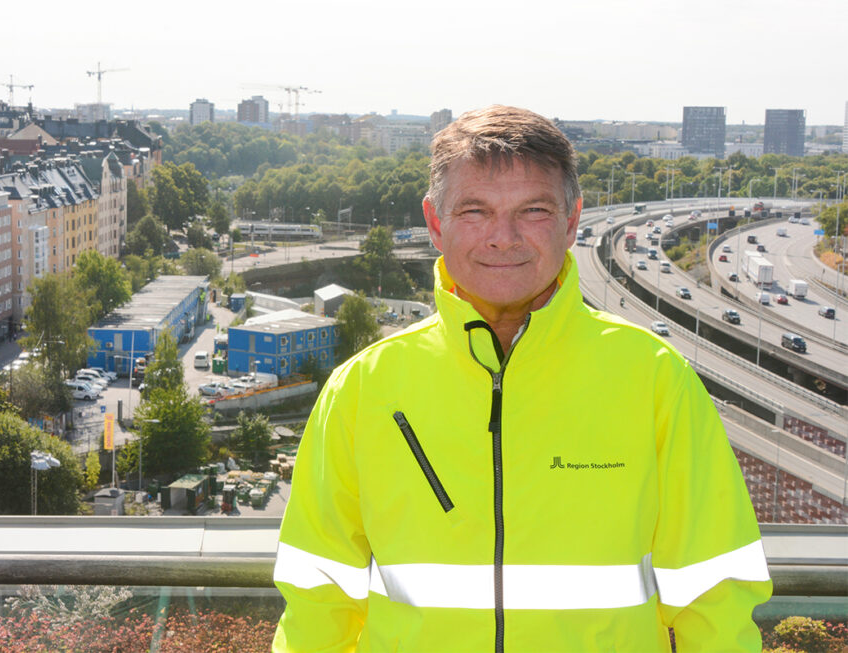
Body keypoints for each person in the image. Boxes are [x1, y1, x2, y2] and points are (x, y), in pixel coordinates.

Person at [272, 106, 771, 652]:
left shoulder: (654, 381)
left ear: (572, 220)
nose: (503, 238)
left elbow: (716, 599)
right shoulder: (362, 390)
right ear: (435, 223)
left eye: (532, 210)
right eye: (475, 211)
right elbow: (318, 602)